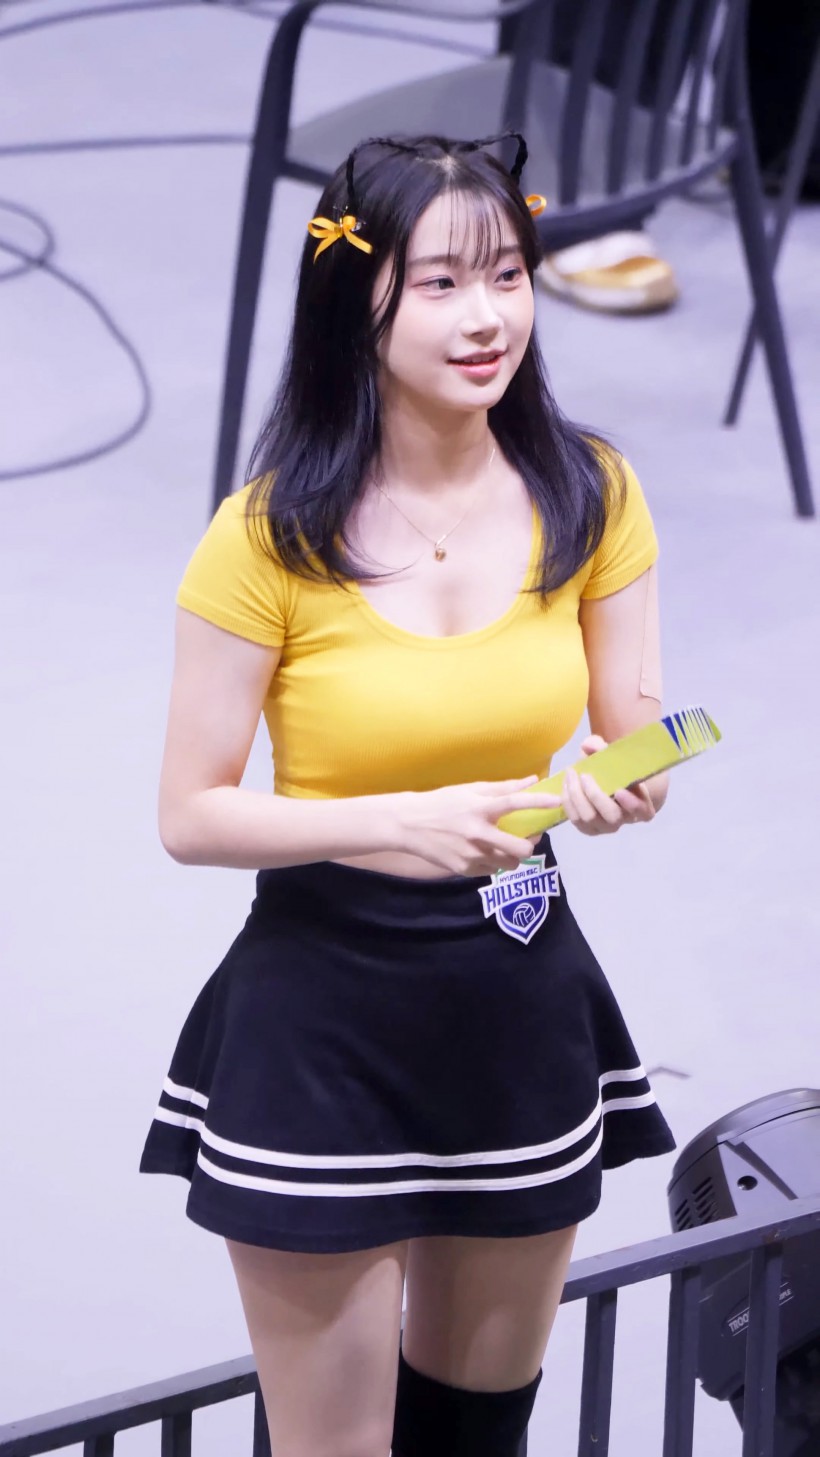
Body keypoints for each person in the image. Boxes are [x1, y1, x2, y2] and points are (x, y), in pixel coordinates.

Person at [140, 132, 675, 1457]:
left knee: (479, 1435)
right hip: (321, 1017)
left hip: (519, 992)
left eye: (508, 274)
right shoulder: (264, 535)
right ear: (357, 295)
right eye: (440, 283)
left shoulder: (592, 491)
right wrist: (398, 820)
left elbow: (637, 721)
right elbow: (191, 812)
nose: (487, 315)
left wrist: (632, 777)